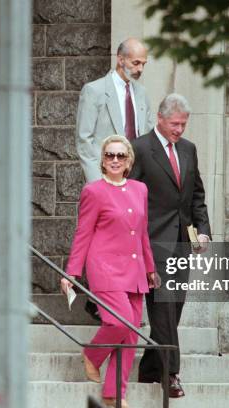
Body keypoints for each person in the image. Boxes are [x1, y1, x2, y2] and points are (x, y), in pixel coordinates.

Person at [61, 135, 157, 408]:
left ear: (128, 161)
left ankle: (115, 393)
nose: (115, 160)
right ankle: (92, 354)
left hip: (135, 269)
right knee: (119, 321)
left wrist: (150, 268)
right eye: (109, 156)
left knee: (130, 335)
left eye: (120, 156)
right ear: (102, 161)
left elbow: (142, 233)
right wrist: (72, 273)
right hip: (104, 268)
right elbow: (83, 233)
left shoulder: (140, 189)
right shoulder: (93, 191)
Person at [129, 94, 212, 398]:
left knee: (174, 308)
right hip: (152, 245)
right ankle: (171, 373)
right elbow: (130, 198)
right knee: (163, 307)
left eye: (183, 124)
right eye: (175, 123)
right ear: (160, 119)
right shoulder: (139, 148)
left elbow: (196, 196)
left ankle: (150, 367)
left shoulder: (189, 150)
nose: (179, 129)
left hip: (182, 243)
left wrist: (202, 232)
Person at [76, 38, 154, 320]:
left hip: (132, 184)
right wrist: (101, 183)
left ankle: (119, 300)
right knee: (103, 240)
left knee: (129, 239)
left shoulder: (142, 94)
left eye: (144, 63)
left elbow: (144, 140)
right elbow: (84, 141)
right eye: (136, 62)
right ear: (120, 59)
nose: (140, 68)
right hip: (105, 182)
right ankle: (99, 298)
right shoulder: (95, 91)